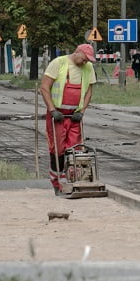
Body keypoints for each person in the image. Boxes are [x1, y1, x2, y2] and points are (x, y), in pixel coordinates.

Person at [38, 44, 97, 193]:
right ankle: (57, 181)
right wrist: (52, 109)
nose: (85, 62)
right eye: (84, 59)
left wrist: (82, 111)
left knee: (76, 149)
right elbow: (44, 87)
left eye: (88, 60)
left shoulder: (88, 68)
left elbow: (89, 92)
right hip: (57, 116)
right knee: (57, 149)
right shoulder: (59, 63)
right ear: (77, 52)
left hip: (74, 117)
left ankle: (74, 180)